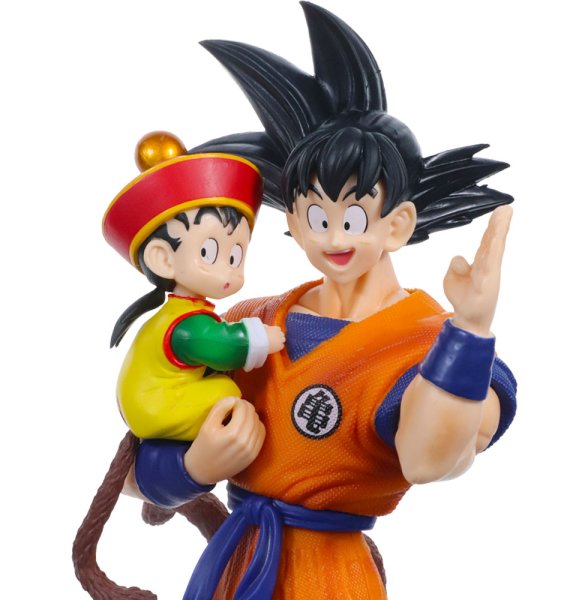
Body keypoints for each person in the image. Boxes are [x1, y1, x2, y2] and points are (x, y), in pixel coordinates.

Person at [82, 3, 518, 599]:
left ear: (397, 224)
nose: (334, 237)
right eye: (315, 215)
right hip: (235, 567)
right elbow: (135, 467)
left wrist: (468, 330)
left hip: (331, 577)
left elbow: (429, 459)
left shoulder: (425, 341)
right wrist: (193, 468)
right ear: (291, 220)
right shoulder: (249, 321)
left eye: (354, 216)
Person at [103, 131, 285, 441]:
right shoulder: (187, 324)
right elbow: (223, 347)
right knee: (227, 391)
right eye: (209, 252)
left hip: (151, 403)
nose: (228, 270)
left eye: (235, 256)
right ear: (162, 259)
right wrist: (261, 338)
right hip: (157, 407)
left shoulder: (179, 314)